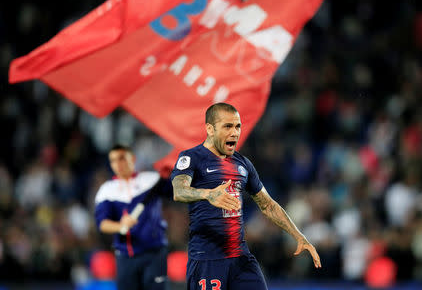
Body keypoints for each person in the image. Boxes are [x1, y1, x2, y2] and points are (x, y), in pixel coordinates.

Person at [170, 103, 321, 290]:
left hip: (241, 259)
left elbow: (268, 205)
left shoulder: (243, 164)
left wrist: (298, 235)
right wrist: (207, 194)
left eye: (237, 126)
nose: (235, 132)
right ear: (210, 129)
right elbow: (179, 191)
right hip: (207, 259)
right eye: (227, 126)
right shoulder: (192, 157)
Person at [94, 144, 169, 290]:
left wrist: (175, 173)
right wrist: (121, 225)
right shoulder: (107, 190)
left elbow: (178, 193)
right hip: (126, 256)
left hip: (155, 252)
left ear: (132, 159)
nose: (118, 164)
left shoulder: (152, 180)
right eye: (113, 160)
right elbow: (102, 224)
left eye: (122, 158)